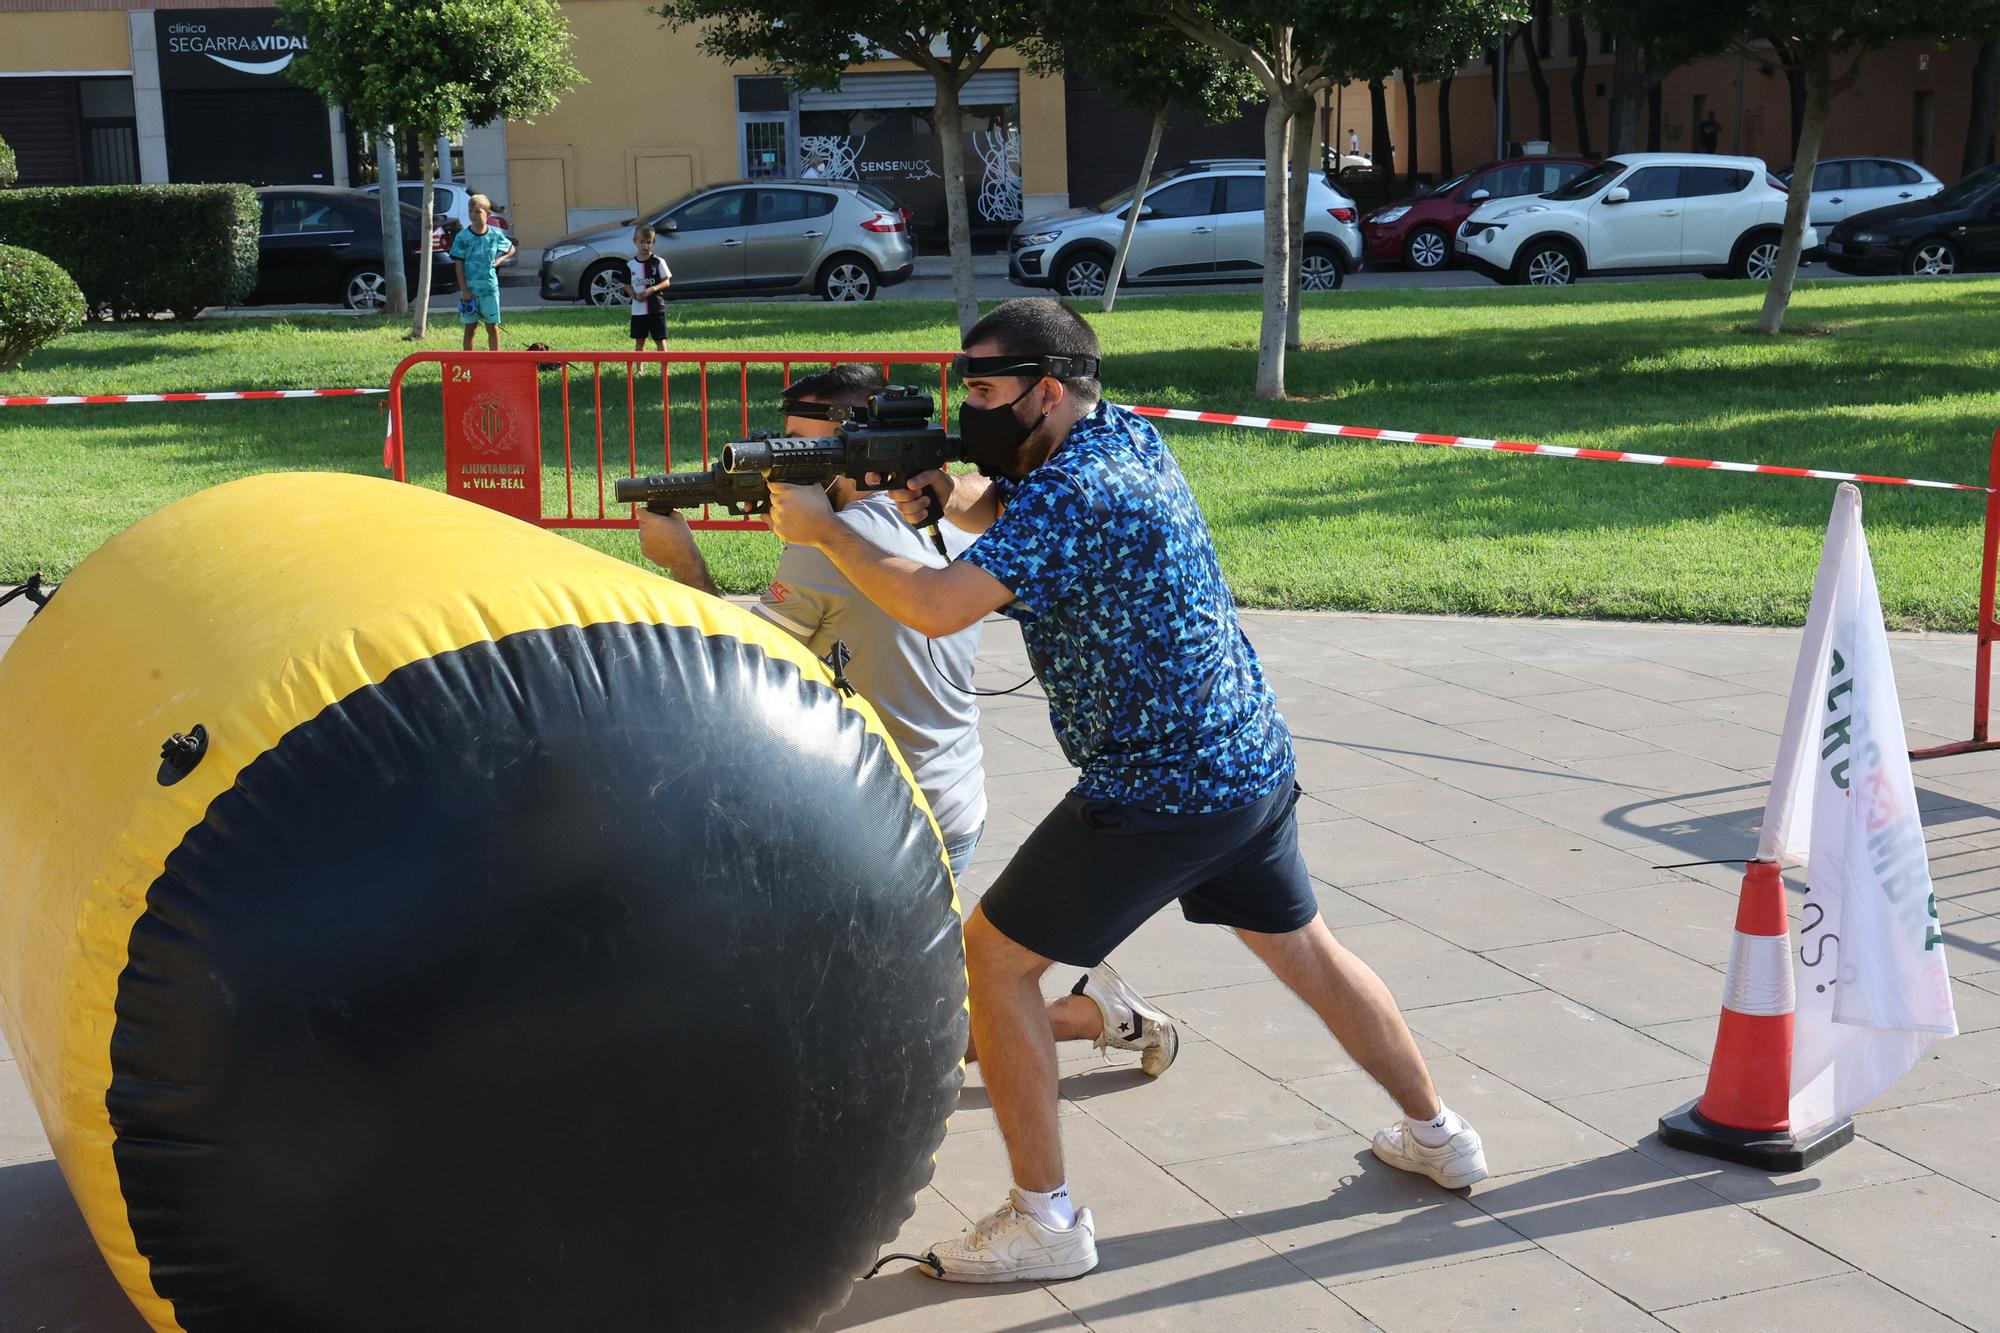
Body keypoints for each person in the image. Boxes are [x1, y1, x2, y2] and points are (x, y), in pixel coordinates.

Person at [765, 301, 1487, 1284]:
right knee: (1307, 953)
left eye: (981, 390)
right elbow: (1006, 505)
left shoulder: (1075, 493)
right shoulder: (1119, 437)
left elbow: (934, 607)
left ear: (1045, 390)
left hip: (1161, 785)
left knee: (993, 959)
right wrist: (942, 501)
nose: (966, 406)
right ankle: (1440, 1136)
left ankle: (1044, 1221)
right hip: (1244, 759)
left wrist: (831, 533)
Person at [635, 362, 1179, 1077]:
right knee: (873, 1006)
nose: (782, 472)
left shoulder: (830, 546)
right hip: (947, 793)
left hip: (896, 811)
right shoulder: (943, 510)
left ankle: (1092, 1015)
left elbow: (740, 665)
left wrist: (684, 563)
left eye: (802, 453)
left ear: (854, 452)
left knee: (896, 1041)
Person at [449, 193, 514, 352]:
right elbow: (458, 265)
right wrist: (464, 290)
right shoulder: (463, 237)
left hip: (490, 289)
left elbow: (511, 248)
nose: (473, 215)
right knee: (470, 329)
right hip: (470, 291)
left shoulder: (494, 235)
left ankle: (495, 361)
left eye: (477, 212)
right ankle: (469, 364)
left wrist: (499, 260)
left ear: (488, 214)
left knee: (492, 327)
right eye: (470, 211)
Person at [625, 226, 671, 352]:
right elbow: (626, 284)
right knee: (640, 341)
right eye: (642, 242)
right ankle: (640, 370)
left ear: (653, 242)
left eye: (649, 242)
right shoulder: (630, 265)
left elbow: (666, 281)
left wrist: (653, 289)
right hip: (638, 310)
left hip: (656, 308)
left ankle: (664, 369)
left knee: (660, 340)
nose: (645, 245)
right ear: (635, 241)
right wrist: (634, 296)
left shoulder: (658, 262)